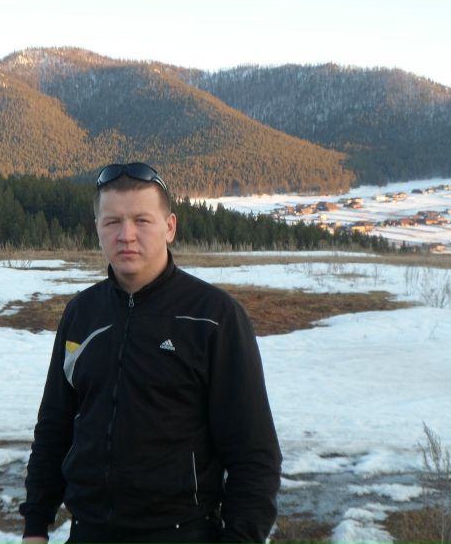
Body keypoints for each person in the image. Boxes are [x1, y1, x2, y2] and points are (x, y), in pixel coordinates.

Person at [20, 163, 281, 544]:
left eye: (142, 220)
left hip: (182, 533)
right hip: (88, 531)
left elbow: (254, 453)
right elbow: (54, 427)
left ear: (170, 227)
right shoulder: (82, 313)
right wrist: (35, 524)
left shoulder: (213, 317)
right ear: (97, 229)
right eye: (112, 222)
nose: (126, 235)